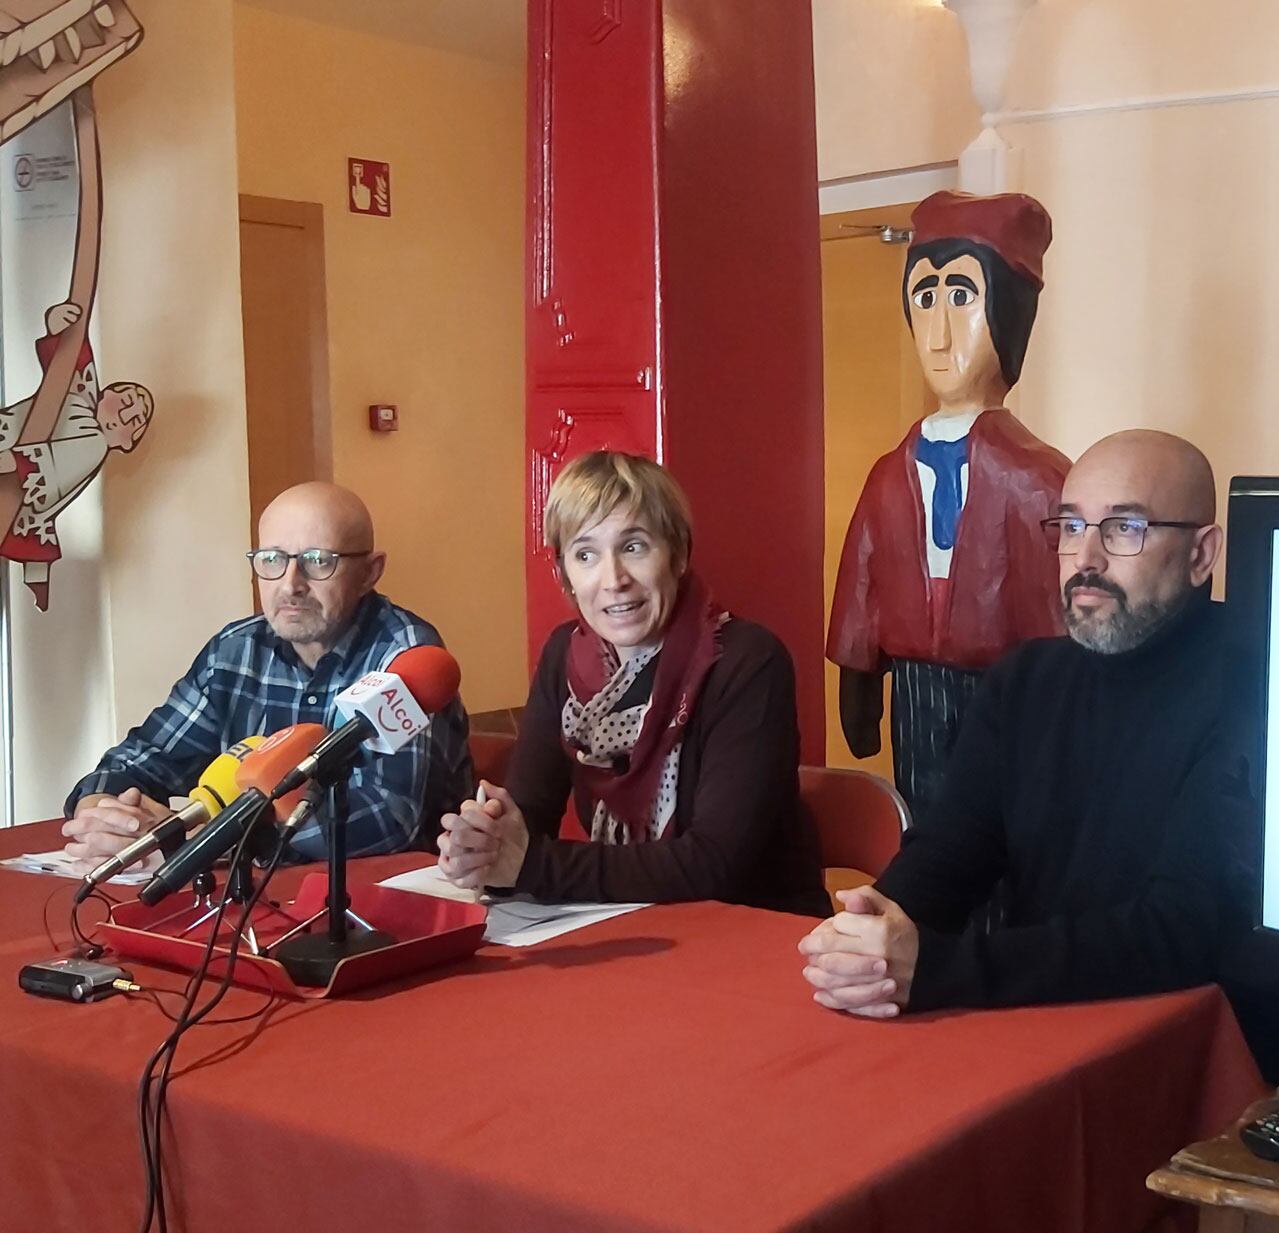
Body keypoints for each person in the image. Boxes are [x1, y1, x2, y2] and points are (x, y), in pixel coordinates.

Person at [801, 428, 1245, 1233]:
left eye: (1123, 529)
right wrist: (882, 923)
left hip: (1194, 1054)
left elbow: (1186, 928)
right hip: (1041, 1024)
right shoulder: (1029, 681)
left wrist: (946, 971)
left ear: (1202, 552)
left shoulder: (1257, 678)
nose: (1083, 559)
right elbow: (954, 850)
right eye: (1069, 526)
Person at [436, 452, 827, 915]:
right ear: (565, 576)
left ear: (678, 554)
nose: (614, 579)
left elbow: (716, 863)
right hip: (629, 922)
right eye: (586, 555)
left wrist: (530, 864)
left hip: (756, 931)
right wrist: (484, 848)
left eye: (634, 547)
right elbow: (528, 817)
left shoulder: (747, 661)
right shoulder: (566, 654)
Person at [63, 482, 472, 862]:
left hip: (383, 906)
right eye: (272, 560)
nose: (291, 584)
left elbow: (389, 818)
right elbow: (142, 760)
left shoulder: (405, 655)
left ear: (370, 572)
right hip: (248, 899)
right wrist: (108, 812)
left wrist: (215, 835)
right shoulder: (236, 650)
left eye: (317, 561)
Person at [827, 190, 1070, 816]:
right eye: (923, 298)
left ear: (1010, 316)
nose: (938, 334)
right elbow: (862, 579)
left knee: (1002, 830)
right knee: (921, 821)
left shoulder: (1040, 478)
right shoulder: (888, 474)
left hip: (1008, 688)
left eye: (963, 298)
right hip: (915, 686)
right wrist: (858, 684)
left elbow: (1061, 617)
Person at [1, 301, 154, 609]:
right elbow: (72, 359)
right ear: (106, 393)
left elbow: (52, 470)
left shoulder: (95, 445)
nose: (126, 413)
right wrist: (59, 326)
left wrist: (13, 462)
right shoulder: (82, 395)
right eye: (126, 400)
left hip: (17, 484)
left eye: (134, 420)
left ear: (128, 441)